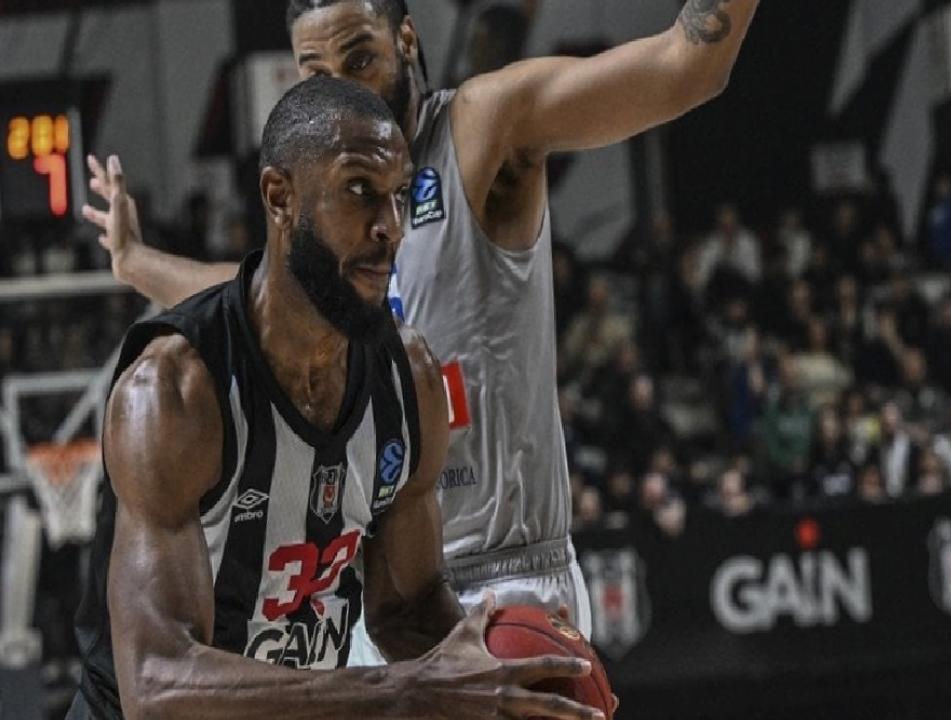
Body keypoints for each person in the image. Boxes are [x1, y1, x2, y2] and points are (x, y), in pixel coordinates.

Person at [83, 0, 760, 658]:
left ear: (406, 40)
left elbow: (686, 65)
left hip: (499, 579)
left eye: (360, 59)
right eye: (316, 74)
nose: (342, 89)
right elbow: (249, 297)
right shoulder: (328, 196)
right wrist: (134, 261)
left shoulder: (483, 125)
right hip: (374, 593)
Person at [69, 77, 600, 720]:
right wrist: (403, 689)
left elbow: (407, 609)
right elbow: (155, 687)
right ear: (280, 197)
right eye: (359, 191)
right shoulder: (174, 393)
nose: (391, 227)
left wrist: (504, 676)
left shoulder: (408, 379)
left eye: (400, 196)